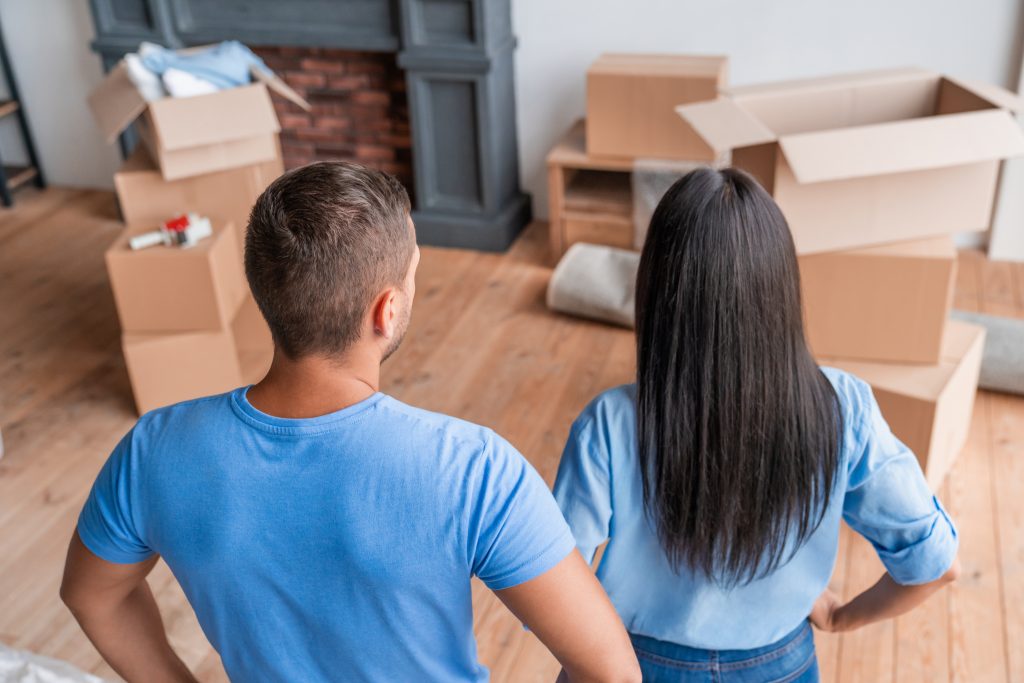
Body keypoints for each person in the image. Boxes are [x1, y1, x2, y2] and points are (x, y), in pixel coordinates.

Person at [60, 161, 640, 683]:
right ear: (387, 310)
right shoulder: (474, 470)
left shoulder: (153, 450)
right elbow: (611, 671)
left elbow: (92, 596)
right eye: (412, 273)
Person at [552, 167, 961, 682]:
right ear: (781, 289)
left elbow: (550, 584)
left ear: (656, 290)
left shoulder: (608, 425)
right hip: (782, 664)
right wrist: (841, 615)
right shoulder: (845, 407)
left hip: (633, 664)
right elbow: (936, 566)